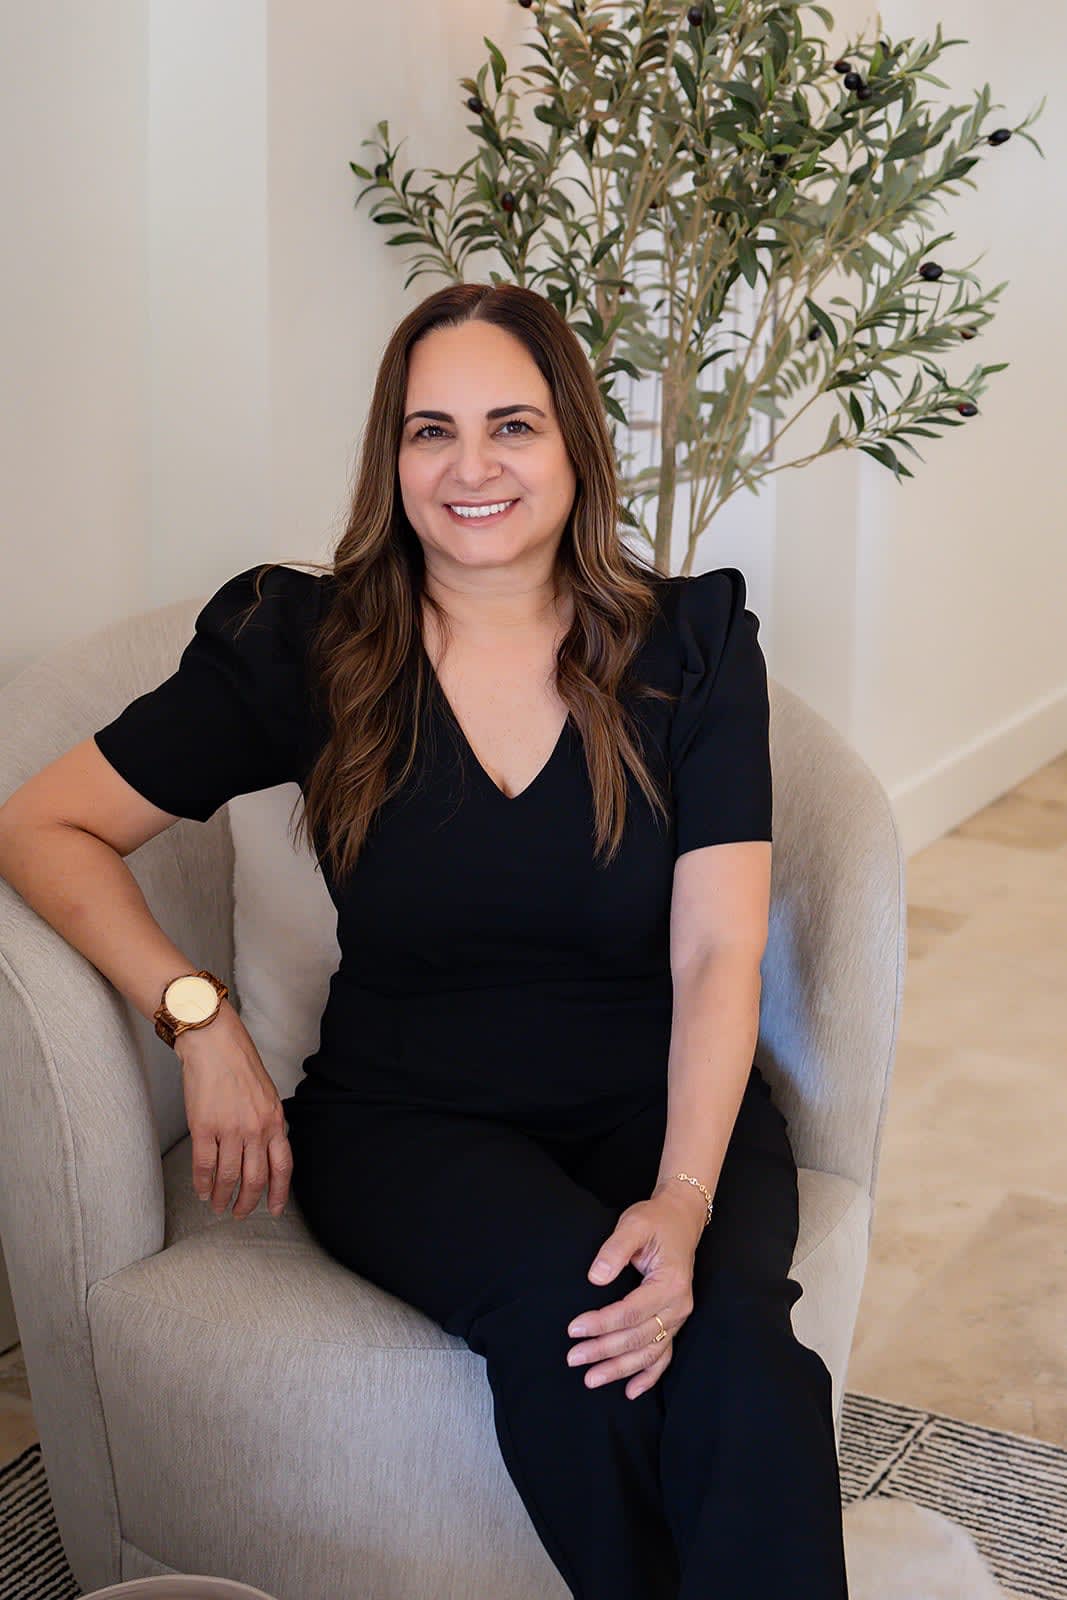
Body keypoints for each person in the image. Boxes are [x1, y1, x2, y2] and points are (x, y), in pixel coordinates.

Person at [0, 282, 849, 1598]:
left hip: (665, 1095)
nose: (469, 468)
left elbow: (716, 954)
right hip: (413, 1120)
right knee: (588, 1331)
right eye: (427, 430)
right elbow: (43, 825)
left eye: (511, 425)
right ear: (389, 459)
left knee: (738, 1340)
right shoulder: (303, 643)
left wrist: (683, 1201)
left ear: (576, 443)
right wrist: (197, 1012)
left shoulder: (692, 645)